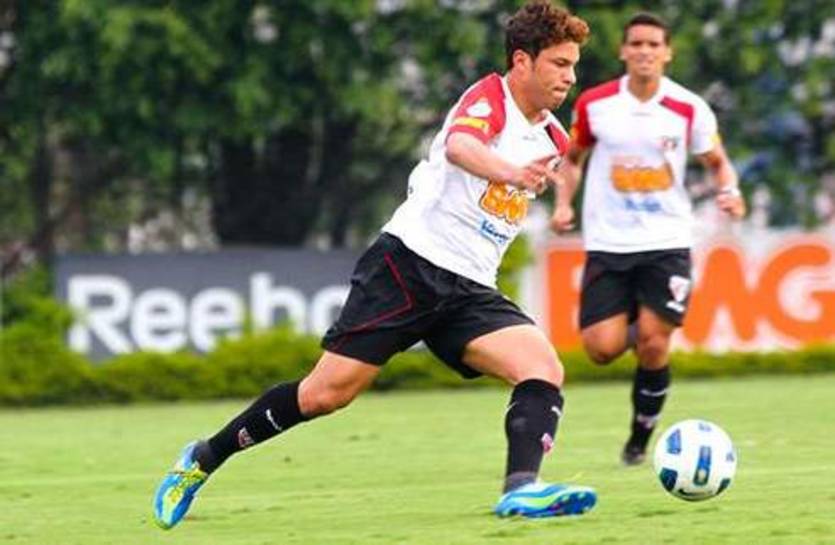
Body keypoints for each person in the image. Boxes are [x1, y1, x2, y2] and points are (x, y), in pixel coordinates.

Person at [152, 1, 595, 529]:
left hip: (470, 288)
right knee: (324, 395)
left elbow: (565, 167)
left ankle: (521, 490)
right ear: (522, 61)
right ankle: (203, 458)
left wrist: (562, 203)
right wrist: (511, 173)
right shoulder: (489, 99)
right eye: (559, 64)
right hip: (408, 268)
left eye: (573, 65)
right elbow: (461, 147)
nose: (570, 77)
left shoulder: (552, 136)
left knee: (542, 367)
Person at [550, 12, 746, 466]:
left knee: (655, 344)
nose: (644, 51)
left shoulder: (688, 107)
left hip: (666, 241)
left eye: (653, 44)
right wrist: (563, 204)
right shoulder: (595, 104)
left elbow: (717, 162)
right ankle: (646, 317)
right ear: (623, 51)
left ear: (667, 53)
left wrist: (731, 191)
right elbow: (573, 159)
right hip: (609, 243)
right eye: (636, 43)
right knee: (601, 349)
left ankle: (639, 440)